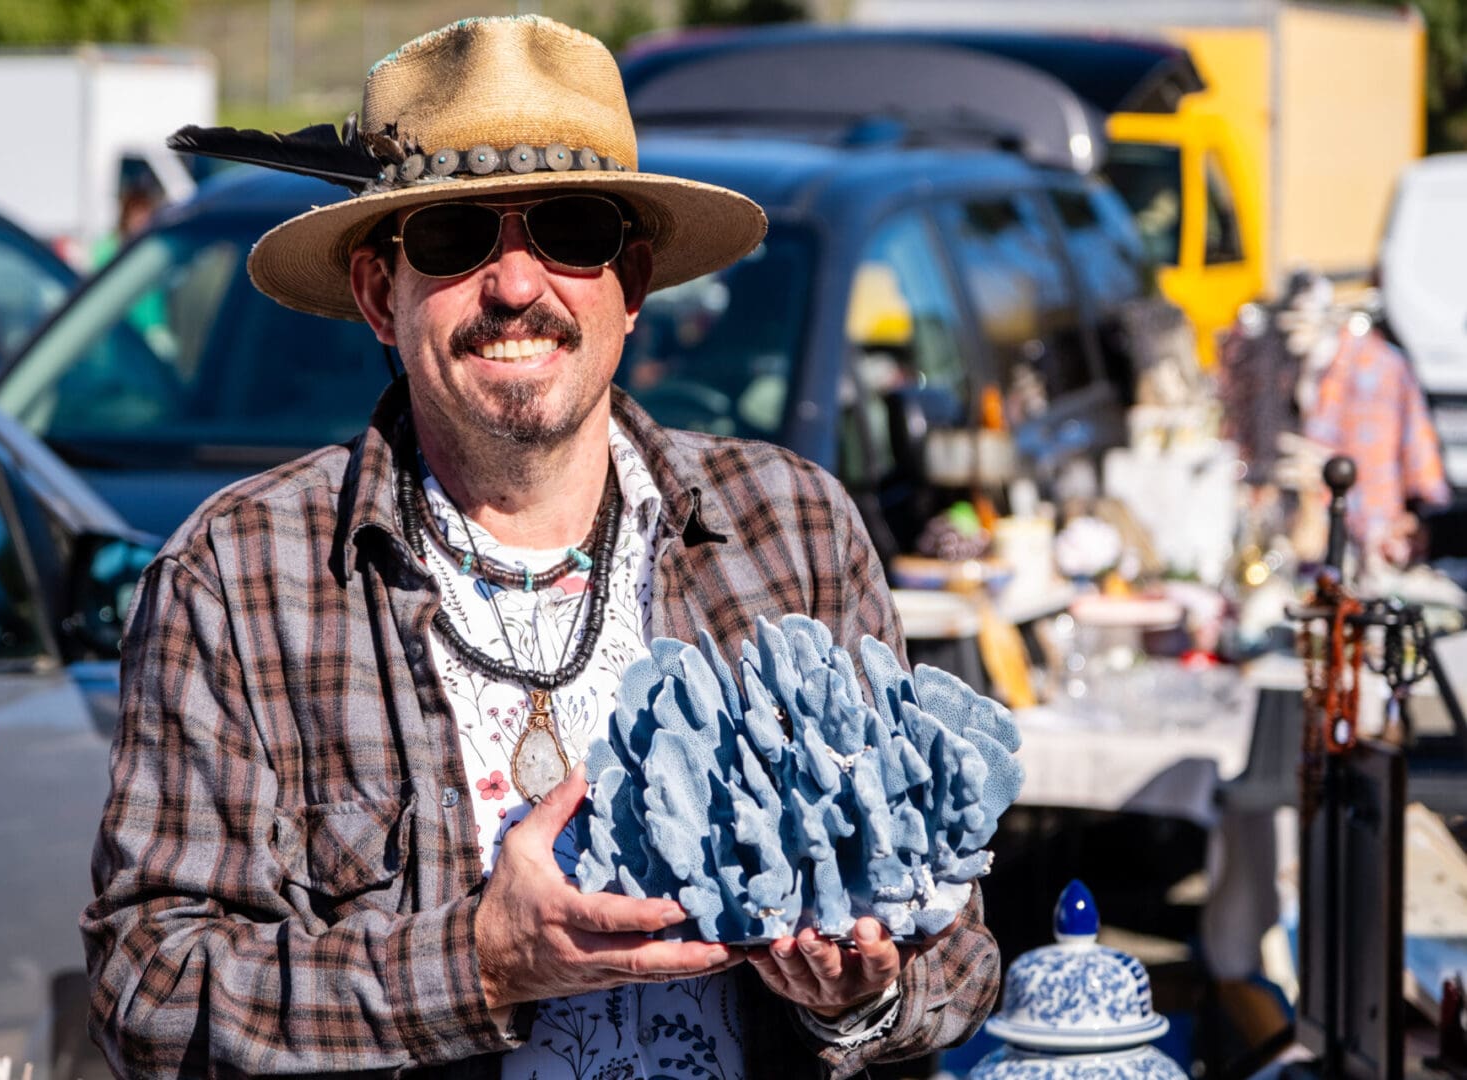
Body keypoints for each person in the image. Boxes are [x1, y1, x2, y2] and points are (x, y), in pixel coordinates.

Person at [81, 15, 1000, 1077]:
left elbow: (963, 953)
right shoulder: (239, 579)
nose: (516, 287)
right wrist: (476, 965)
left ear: (634, 281)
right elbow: (144, 989)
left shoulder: (792, 531)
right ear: (384, 295)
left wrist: (864, 999)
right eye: (452, 241)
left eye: (568, 230)